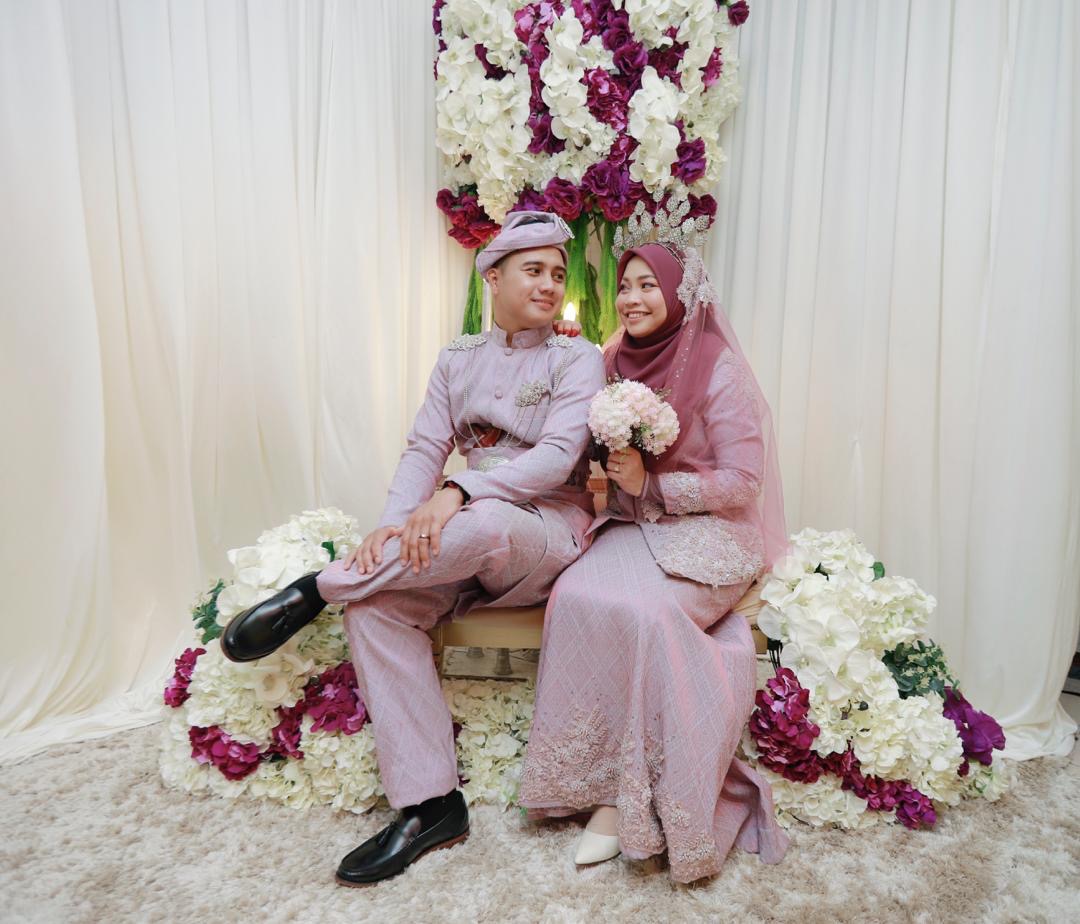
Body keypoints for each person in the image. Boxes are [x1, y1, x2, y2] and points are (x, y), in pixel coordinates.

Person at [219, 211, 605, 886]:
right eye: (533, 270)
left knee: (484, 524)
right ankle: (432, 806)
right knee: (376, 611)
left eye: (556, 272)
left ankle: (315, 588)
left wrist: (459, 489)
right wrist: (393, 525)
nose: (549, 284)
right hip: (462, 542)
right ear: (493, 277)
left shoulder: (578, 358)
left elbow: (554, 458)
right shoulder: (457, 358)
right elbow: (425, 447)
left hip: (544, 531)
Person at [518, 229, 791, 883]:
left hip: (710, 535)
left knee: (651, 616)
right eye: (625, 286)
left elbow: (744, 481)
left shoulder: (718, 367)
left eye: (648, 285)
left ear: (677, 293)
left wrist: (657, 486)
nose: (632, 298)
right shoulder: (612, 357)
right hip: (631, 524)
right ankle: (579, 777)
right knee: (575, 595)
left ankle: (627, 798)